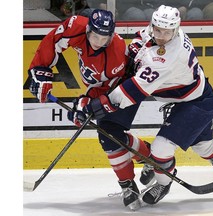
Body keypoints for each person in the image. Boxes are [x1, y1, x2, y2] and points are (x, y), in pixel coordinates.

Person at [75, 5, 213, 206]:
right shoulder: (158, 31)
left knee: (161, 148)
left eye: (167, 32)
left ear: (176, 29)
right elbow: (140, 38)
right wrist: (137, 47)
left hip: (196, 104)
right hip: (188, 98)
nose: (161, 36)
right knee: (204, 146)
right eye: (158, 30)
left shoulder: (166, 57)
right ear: (153, 24)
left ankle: (163, 183)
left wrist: (96, 105)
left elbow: (133, 91)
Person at [27, 9, 152, 210]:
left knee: (108, 134)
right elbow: (54, 40)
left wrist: (86, 104)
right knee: (111, 135)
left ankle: (129, 184)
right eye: (95, 36)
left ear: (111, 36)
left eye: (104, 38)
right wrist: (39, 70)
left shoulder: (115, 53)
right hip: (103, 86)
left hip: (125, 87)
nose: (98, 41)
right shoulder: (75, 25)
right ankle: (150, 158)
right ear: (87, 29)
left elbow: (109, 89)